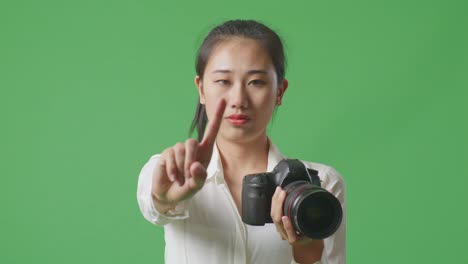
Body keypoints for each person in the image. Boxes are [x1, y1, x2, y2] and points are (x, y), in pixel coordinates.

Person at [136, 19, 346, 264]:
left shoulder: (321, 185)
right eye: (223, 81)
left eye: (256, 82)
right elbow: (154, 206)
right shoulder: (169, 170)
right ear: (201, 89)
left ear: (280, 91)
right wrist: (166, 199)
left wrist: (308, 252)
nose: (238, 99)